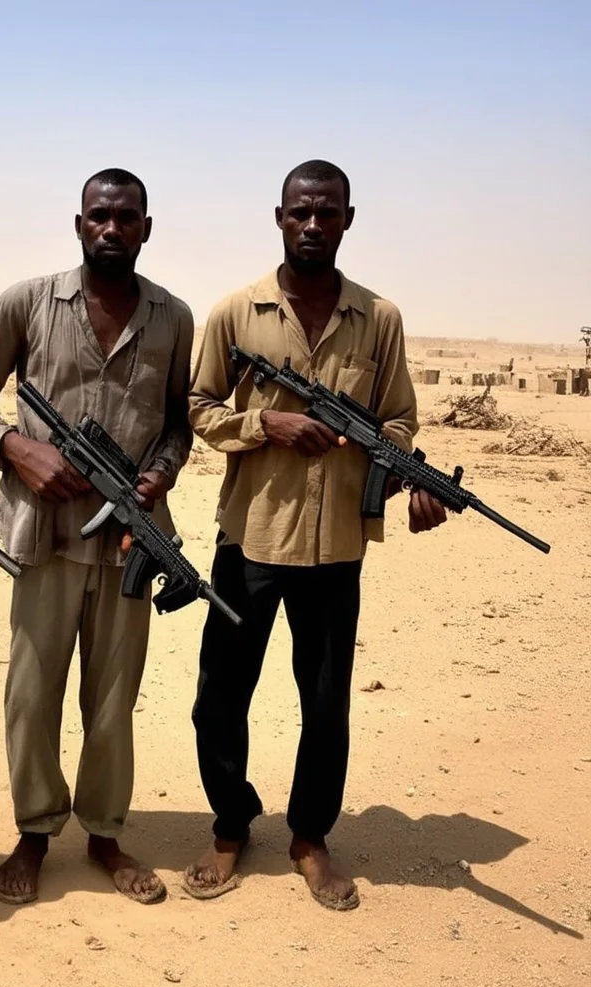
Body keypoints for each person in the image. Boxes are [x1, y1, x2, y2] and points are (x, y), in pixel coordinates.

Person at [182, 159, 447, 910]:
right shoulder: (236, 313)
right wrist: (266, 423)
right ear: (279, 217)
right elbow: (200, 408)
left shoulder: (379, 318)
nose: (312, 225)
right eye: (300, 211)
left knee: (326, 703)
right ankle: (231, 826)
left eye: (327, 212)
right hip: (250, 537)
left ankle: (309, 838)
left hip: (336, 547)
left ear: (347, 220)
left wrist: (404, 476)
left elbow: (399, 419)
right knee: (220, 695)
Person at [0, 168, 194, 905]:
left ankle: (105, 834)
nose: (111, 228)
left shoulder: (174, 317)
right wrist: (16, 449)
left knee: (113, 701)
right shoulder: (27, 302)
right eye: (99, 215)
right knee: (32, 695)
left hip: (129, 543)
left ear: (146, 228)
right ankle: (34, 830)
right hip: (44, 533)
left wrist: (159, 475)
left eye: (126, 217)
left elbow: (180, 423)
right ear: (79, 223)